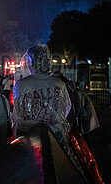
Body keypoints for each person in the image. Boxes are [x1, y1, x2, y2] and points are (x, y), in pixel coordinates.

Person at [13, 45, 104, 184]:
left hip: (30, 138)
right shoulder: (59, 84)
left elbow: (18, 113)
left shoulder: (21, 85)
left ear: (31, 62)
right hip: (57, 136)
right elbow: (66, 108)